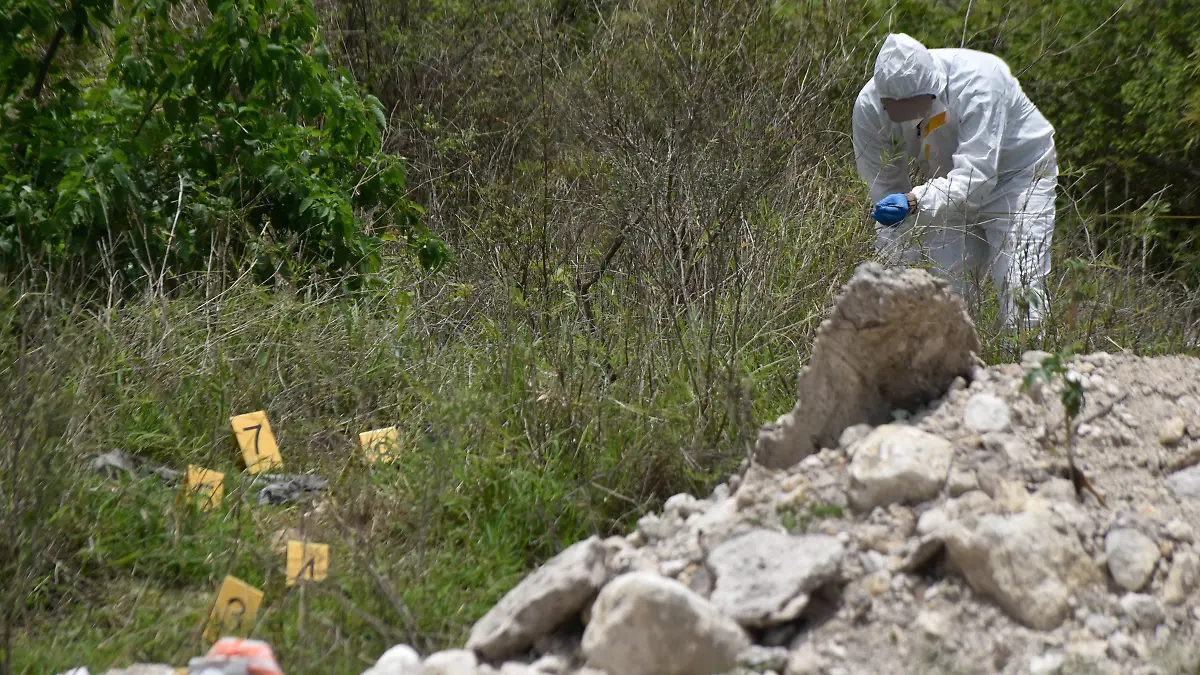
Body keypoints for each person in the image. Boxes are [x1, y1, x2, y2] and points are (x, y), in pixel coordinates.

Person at [851, 32, 1058, 332]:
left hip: (1017, 178)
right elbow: (884, 192)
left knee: (1022, 297)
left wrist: (914, 201)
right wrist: (891, 272)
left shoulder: (979, 82)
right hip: (946, 185)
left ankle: (1028, 373)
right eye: (893, 108)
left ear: (932, 91)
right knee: (943, 299)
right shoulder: (869, 108)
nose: (903, 117)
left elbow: (976, 179)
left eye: (913, 107)